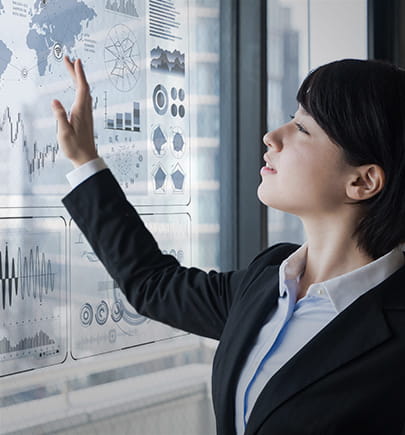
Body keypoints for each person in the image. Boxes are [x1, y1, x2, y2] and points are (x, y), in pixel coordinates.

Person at [52, 56, 405, 434]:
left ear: (363, 182)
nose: (273, 136)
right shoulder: (269, 279)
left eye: (302, 127)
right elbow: (151, 283)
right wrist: (86, 160)